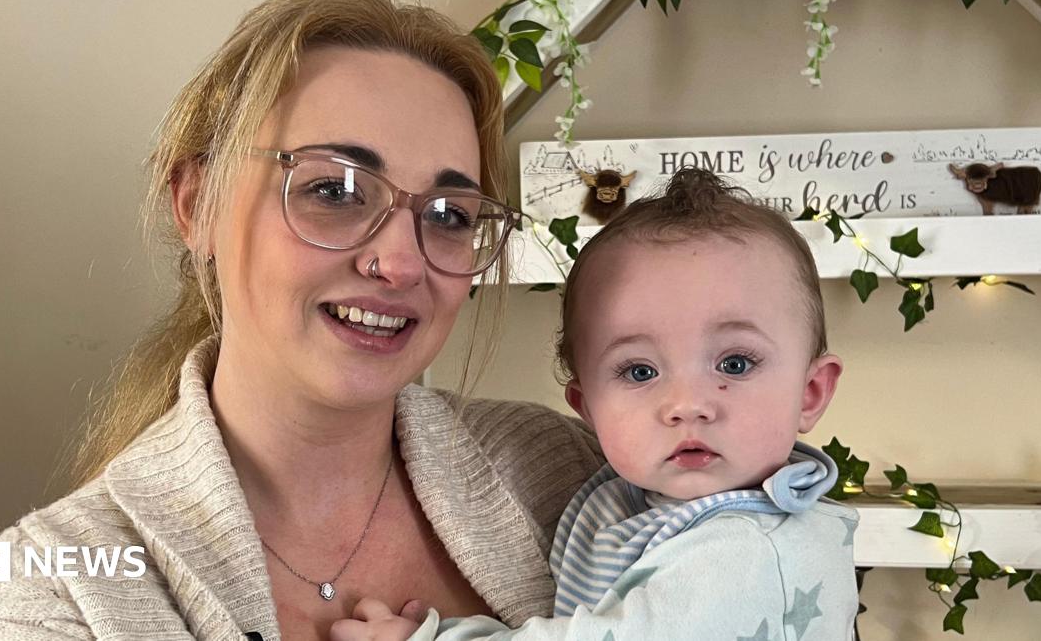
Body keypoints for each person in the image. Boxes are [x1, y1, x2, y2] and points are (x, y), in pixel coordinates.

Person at [0, 0, 605, 640]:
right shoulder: (48, 593)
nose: (402, 263)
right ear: (196, 204)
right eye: (334, 190)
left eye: (448, 215)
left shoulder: (564, 472)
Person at [331, 169, 860, 641]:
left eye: (736, 364)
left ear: (810, 392)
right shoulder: (636, 505)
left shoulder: (752, 553)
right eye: (640, 371)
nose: (686, 406)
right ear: (588, 409)